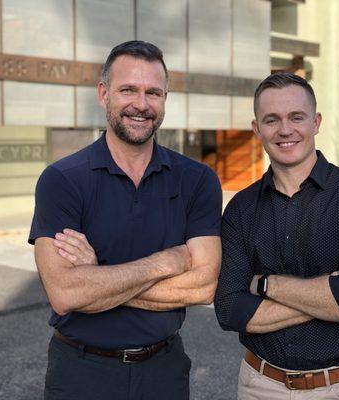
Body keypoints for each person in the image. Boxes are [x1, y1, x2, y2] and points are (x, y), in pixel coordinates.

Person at [29, 40, 222, 400]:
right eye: (128, 90)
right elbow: (64, 293)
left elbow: (203, 286)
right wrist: (165, 262)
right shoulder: (62, 180)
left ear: (165, 98)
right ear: (104, 94)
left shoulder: (197, 180)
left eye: (153, 92)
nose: (141, 104)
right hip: (81, 372)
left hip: (163, 371)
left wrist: (97, 277)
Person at [214, 72, 339, 400]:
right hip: (259, 386)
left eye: (296, 117)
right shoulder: (240, 208)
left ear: (316, 122)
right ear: (257, 129)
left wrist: (266, 285)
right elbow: (229, 309)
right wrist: (331, 296)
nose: (285, 130)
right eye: (272, 120)